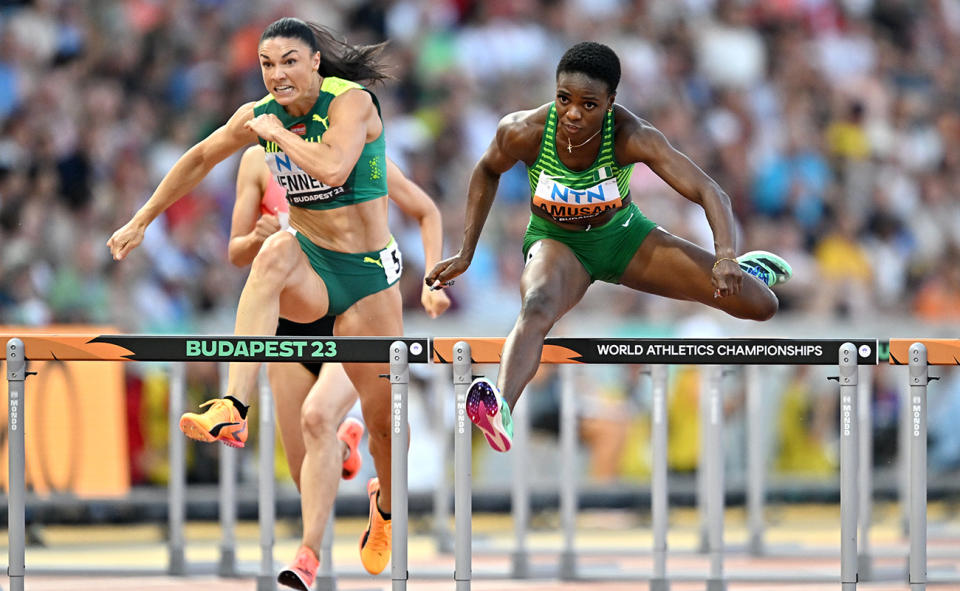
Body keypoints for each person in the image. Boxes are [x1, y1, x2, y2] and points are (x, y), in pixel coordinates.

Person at [107, 17, 407, 575]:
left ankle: (386, 508)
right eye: (267, 65)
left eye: (289, 61)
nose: (277, 75)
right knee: (272, 256)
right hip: (312, 269)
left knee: (385, 423)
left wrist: (278, 135)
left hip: (368, 277)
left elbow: (335, 167)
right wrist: (142, 219)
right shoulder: (260, 116)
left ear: (316, 61)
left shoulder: (353, 103)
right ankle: (234, 406)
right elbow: (199, 158)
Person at [426, 41, 792, 453]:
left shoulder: (631, 135)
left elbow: (710, 191)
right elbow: (486, 170)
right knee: (538, 306)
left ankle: (744, 270)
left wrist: (725, 256)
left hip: (624, 238)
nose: (573, 114)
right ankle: (500, 409)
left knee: (762, 307)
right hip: (557, 243)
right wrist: (466, 252)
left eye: (589, 104)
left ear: (611, 102)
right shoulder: (524, 130)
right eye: (564, 99)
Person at [230, 143, 450, 588]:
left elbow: (425, 210)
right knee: (303, 473)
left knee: (318, 417)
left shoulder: (355, 152)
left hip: (349, 316)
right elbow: (236, 252)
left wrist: (431, 279)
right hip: (289, 327)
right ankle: (344, 452)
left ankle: (308, 557)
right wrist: (258, 237)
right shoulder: (258, 161)